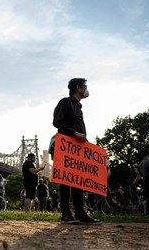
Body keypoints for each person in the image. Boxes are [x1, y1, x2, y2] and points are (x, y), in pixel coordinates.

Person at [52, 77, 100, 224]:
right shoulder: (65, 102)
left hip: (78, 148)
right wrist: (75, 134)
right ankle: (66, 214)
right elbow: (58, 122)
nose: (86, 89)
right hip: (66, 146)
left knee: (79, 180)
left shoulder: (78, 107)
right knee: (65, 180)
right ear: (78, 87)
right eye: (85, 86)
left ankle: (80, 213)